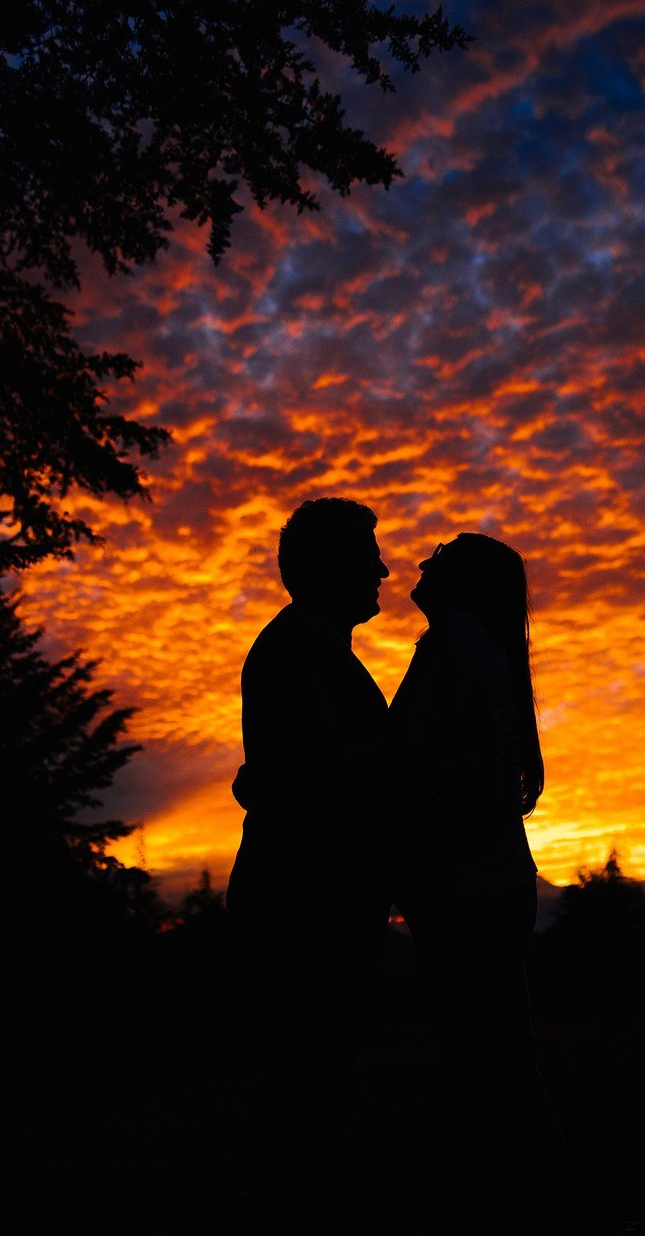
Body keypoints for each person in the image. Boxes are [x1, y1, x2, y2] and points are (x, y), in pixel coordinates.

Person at [390, 533, 572, 1213]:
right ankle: (535, 1198)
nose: (423, 560)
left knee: (490, 1067)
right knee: (504, 1059)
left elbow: (406, 762)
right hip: (491, 883)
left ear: (465, 580)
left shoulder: (454, 643)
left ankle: (536, 1203)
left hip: (465, 889)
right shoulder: (483, 651)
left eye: (443, 553)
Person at [226, 497, 392, 1191]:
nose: (383, 569)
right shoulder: (306, 645)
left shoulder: (309, 643)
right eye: (365, 555)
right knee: (311, 1078)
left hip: (308, 888)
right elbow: (330, 771)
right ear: (327, 568)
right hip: (307, 895)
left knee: (314, 1076)